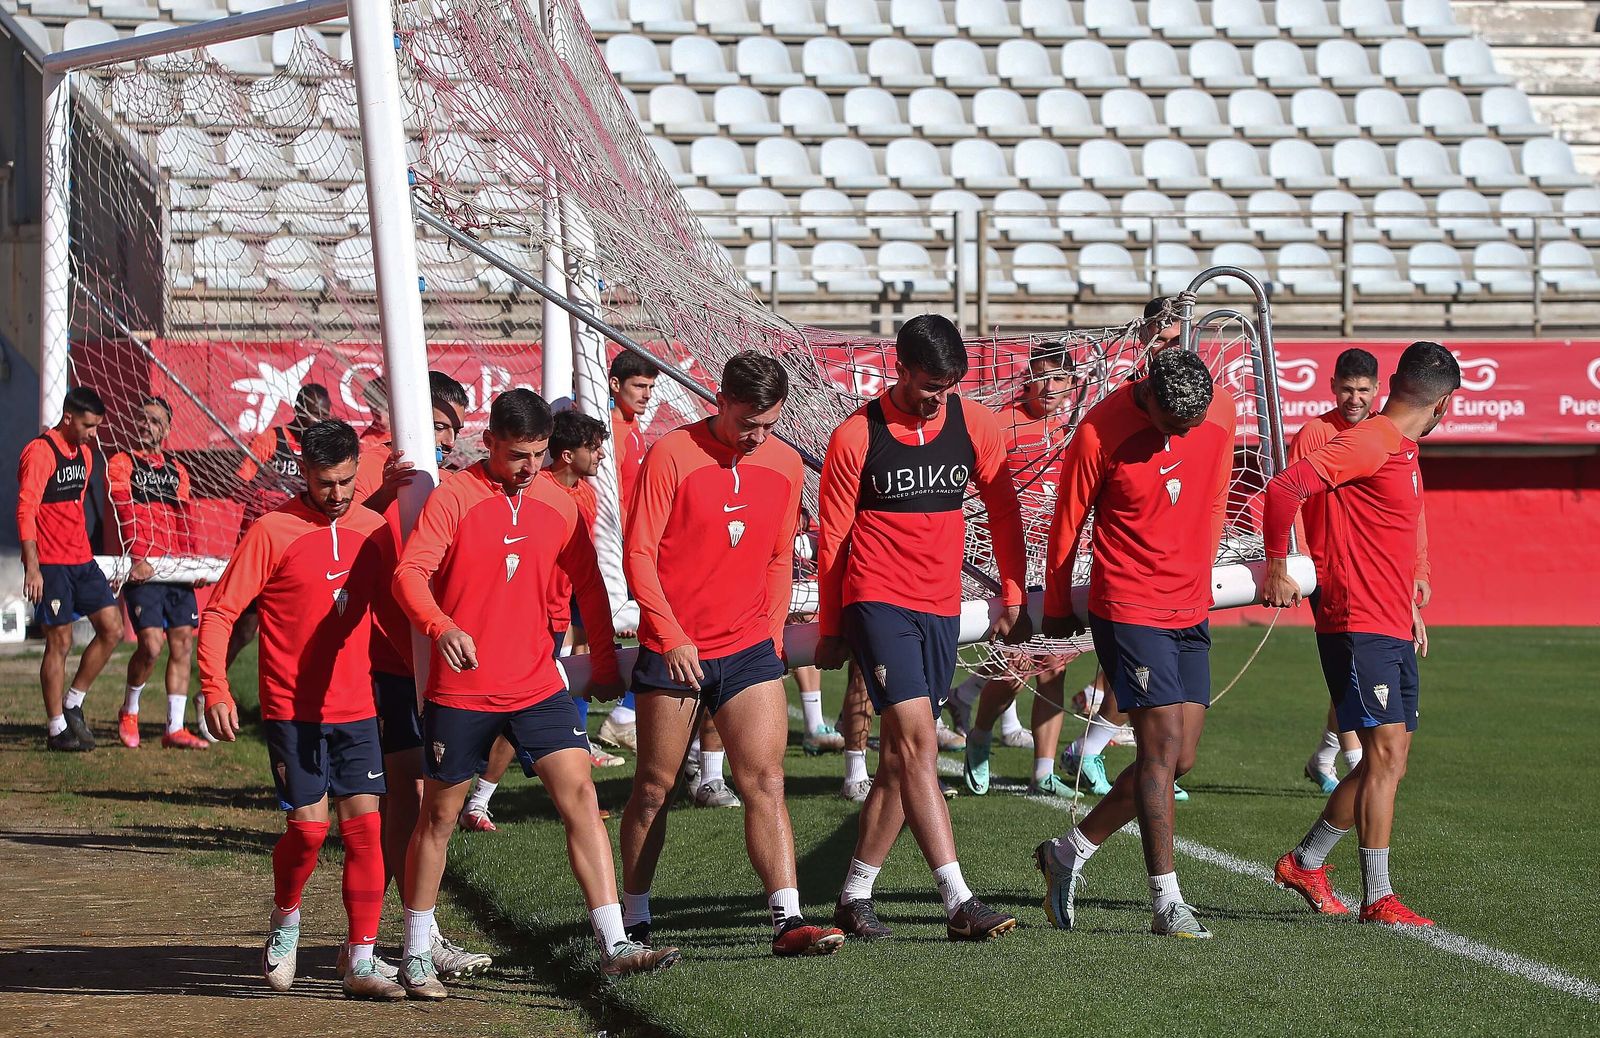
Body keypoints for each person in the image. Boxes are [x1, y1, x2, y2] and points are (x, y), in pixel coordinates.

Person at [394, 389, 676, 994]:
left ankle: (613, 941)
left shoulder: (559, 502)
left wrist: (603, 659)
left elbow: (590, 588)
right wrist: (441, 627)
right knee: (439, 817)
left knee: (580, 796)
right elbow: (409, 575)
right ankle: (417, 947)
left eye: (539, 454)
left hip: (536, 686)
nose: (528, 467)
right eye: (518, 454)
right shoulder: (455, 498)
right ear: (489, 441)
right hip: (462, 691)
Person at [616, 352, 844, 957]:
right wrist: (670, 634)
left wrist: (769, 634)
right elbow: (638, 555)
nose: (757, 436)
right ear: (721, 400)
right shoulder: (670, 454)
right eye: (748, 423)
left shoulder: (787, 463)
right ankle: (633, 921)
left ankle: (788, 921)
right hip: (673, 652)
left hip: (748, 650)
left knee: (766, 780)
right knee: (653, 788)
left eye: (768, 425)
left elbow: (776, 557)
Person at [815, 314, 1030, 943]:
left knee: (897, 761)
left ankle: (854, 895)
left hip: (941, 606)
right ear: (900, 368)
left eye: (950, 385)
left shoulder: (974, 424)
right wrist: (832, 625)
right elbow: (831, 539)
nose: (940, 397)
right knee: (919, 746)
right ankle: (958, 900)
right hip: (877, 600)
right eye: (930, 384)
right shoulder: (857, 434)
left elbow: (1004, 507)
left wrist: (1012, 589)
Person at [197, 419, 405, 1000]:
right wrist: (215, 687)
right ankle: (285, 920)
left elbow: (394, 609)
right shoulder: (272, 529)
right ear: (304, 474)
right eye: (324, 483)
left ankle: (360, 959)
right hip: (293, 712)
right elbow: (219, 614)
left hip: (357, 708)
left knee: (366, 831)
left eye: (345, 482)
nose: (336, 494)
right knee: (309, 832)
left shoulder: (374, 528)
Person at [1034, 346, 1235, 939]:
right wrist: (1053, 608)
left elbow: (1218, 492)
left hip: (1191, 605)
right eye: (1174, 425)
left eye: (1191, 424)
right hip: (1128, 604)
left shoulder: (1216, 413)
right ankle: (1167, 902)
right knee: (1159, 748)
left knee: (1180, 760)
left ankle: (1067, 852)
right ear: (1147, 399)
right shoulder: (1099, 430)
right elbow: (1067, 521)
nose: (1183, 434)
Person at [1264, 341, 1459, 928]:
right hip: (1356, 622)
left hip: (1390, 619)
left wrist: (1409, 602)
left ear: (1391, 383)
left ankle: (1307, 861)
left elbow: (1386, 536)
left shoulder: (1400, 447)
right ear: (1443, 404)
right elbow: (1282, 489)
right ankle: (1378, 897)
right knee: (1380, 757)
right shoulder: (1371, 441)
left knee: (1391, 760)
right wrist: (1278, 562)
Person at [346, 370, 491, 981]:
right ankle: (385, 941)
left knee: (439, 800)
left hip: (438, 656)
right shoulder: (371, 462)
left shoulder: (453, 482)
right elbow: (341, 544)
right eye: (432, 424)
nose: (441, 436)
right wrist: (380, 498)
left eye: (449, 428)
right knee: (403, 802)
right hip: (385, 657)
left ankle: (419, 934)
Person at [457, 409, 625, 834]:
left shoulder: (583, 494)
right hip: (526, 619)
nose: (602, 455)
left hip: (560, 609)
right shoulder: (534, 490)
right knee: (510, 716)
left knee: (534, 714)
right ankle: (464, 802)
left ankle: (493, 800)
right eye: (594, 447)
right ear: (567, 454)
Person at [1289, 349, 1431, 795]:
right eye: (1347, 389)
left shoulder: (1395, 436)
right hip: (1330, 573)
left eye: (1363, 389)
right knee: (1355, 667)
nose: (1355, 397)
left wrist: (1418, 568)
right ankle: (1352, 760)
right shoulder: (1316, 433)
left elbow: (1413, 510)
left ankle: (1331, 757)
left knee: (1360, 670)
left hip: (1381, 577)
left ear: (1378, 389)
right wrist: (1298, 560)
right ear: (1333, 386)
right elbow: (1290, 494)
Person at [962, 340, 1087, 800]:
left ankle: (1043, 770)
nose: (1049, 387)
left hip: (1061, 557)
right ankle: (979, 734)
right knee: (1015, 663)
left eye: (1059, 378)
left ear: (1073, 382)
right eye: (1041, 376)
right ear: (1026, 378)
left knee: (1054, 664)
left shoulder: (1077, 426)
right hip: (1010, 557)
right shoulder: (1003, 423)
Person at [19, 387, 123, 752]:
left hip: (82, 560)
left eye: (96, 426)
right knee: (59, 640)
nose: (94, 433)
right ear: (68, 418)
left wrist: (91, 559)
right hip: (50, 564)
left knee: (113, 629)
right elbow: (26, 509)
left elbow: (75, 509)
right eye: (88, 425)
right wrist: (33, 567)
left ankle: (73, 701)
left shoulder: (87, 455)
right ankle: (55, 729)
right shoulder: (40, 452)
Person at [108, 395, 208, 750]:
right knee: (150, 646)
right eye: (141, 418)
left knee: (182, 643)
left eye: (153, 420)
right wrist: (137, 557)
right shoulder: (122, 463)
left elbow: (186, 519)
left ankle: (174, 728)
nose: (145, 425)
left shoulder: (177, 469)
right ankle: (129, 711)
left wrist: (193, 562)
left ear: (166, 428)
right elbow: (124, 512)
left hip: (175, 569)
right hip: (142, 568)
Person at [227, 384, 333, 668]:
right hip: (262, 545)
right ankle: (209, 689)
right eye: (315, 413)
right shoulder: (272, 439)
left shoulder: (321, 450)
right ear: (299, 411)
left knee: (300, 624)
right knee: (246, 627)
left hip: (302, 546)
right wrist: (268, 484)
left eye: (326, 415)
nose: (320, 421)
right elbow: (239, 487)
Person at [595, 351, 661, 753]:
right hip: (614, 545)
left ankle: (621, 717)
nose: (647, 395)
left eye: (652, 387)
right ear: (615, 384)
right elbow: (610, 497)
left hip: (628, 541)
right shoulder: (610, 430)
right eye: (640, 385)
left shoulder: (632, 425)